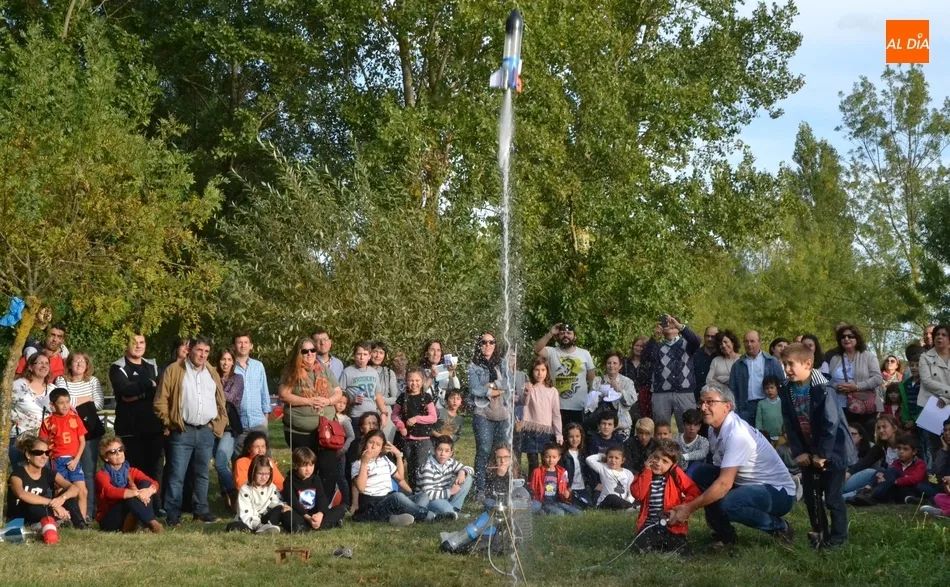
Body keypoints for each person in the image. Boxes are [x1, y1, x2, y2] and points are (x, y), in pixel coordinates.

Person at [667, 387, 796, 550]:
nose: (703, 407)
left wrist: (688, 509)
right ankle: (724, 535)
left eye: (710, 402)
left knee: (729, 503)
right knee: (700, 472)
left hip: (778, 493)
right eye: (702, 402)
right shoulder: (714, 429)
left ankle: (780, 528)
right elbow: (721, 473)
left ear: (727, 406)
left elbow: (724, 484)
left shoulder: (737, 434)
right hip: (747, 484)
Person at [779, 343, 856, 549]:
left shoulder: (823, 388)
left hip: (834, 450)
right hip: (808, 451)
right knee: (811, 497)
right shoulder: (786, 388)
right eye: (784, 364)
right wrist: (800, 452)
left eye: (791, 364)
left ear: (808, 364)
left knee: (832, 498)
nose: (787, 369)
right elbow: (789, 423)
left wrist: (823, 455)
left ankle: (838, 538)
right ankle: (820, 532)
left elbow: (831, 423)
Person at [153, 335, 227, 526]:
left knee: (202, 474)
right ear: (190, 350)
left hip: (206, 431)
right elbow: (160, 401)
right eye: (199, 350)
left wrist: (216, 425)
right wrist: (171, 423)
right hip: (182, 430)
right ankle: (173, 514)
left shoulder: (211, 372)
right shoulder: (174, 370)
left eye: (206, 351)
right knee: (177, 475)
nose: (203, 355)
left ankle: (201, 511)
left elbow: (220, 400)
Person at [278, 336, 344, 503]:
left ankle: (325, 505)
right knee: (305, 469)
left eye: (312, 350)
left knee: (328, 468)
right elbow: (284, 395)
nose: (310, 354)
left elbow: (338, 392)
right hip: (300, 432)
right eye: (305, 351)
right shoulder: (291, 371)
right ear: (298, 353)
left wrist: (328, 401)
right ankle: (305, 504)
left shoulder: (324, 370)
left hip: (326, 431)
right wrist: (309, 401)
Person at [109, 333, 163, 516]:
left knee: (154, 469)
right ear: (126, 345)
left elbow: (159, 390)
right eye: (134, 342)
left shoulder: (152, 365)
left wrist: (138, 393)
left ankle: (156, 506)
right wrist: (148, 384)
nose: (138, 346)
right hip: (130, 429)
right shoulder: (118, 367)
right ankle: (136, 507)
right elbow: (124, 390)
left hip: (153, 427)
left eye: (141, 342)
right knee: (133, 470)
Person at [52, 351, 104, 518]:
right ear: (69, 364)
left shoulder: (93, 381)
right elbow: (63, 403)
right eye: (76, 361)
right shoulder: (61, 380)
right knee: (64, 474)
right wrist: (87, 399)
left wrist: (74, 401)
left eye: (83, 361)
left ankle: (87, 512)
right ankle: (66, 511)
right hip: (66, 432)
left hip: (89, 431)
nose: (80, 364)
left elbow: (99, 404)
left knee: (87, 472)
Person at [7, 435, 86, 543]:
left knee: (68, 496)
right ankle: (55, 522)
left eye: (47, 453)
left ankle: (81, 526)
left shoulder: (48, 472)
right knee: (32, 504)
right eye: (39, 452)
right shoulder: (17, 474)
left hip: (42, 510)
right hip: (23, 514)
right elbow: (22, 494)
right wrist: (52, 503)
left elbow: (74, 488)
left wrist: (61, 499)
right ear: (28, 454)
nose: (44, 456)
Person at [629, 439, 701, 554]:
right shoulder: (644, 474)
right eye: (655, 457)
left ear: (673, 464)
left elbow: (693, 491)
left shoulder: (675, 473)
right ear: (649, 456)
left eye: (665, 461)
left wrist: (682, 507)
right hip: (649, 526)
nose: (658, 463)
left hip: (672, 527)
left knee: (682, 550)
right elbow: (638, 494)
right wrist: (647, 471)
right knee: (639, 548)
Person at [351, 430, 432, 526]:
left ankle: (396, 516)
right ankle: (428, 515)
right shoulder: (358, 464)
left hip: (388, 498)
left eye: (378, 444)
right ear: (365, 444)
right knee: (397, 497)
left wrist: (398, 455)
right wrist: (364, 463)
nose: (373, 447)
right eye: (371, 442)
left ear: (381, 448)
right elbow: (360, 488)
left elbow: (400, 477)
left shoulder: (385, 460)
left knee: (422, 496)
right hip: (373, 505)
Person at [468, 331, 510, 495]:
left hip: (503, 414)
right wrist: (495, 390)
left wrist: (492, 386)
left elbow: (508, 383)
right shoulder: (473, 366)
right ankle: (480, 488)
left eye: (491, 342)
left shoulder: (502, 363)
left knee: (502, 453)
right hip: (483, 413)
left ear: (495, 344)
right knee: (484, 450)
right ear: (479, 345)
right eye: (484, 342)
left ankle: (499, 487)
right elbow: (475, 389)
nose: (487, 345)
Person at [38, 388, 89, 520]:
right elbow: (43, 443)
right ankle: (63, 519)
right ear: (52, 405)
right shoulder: (48, 422)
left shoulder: (75, 418)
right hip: (57, 461)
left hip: (73, 460)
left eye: (67, 402)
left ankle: (82, 521)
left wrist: (76, 460)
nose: (65, 405)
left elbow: (82, 442)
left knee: (82, 491)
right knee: (60, 491)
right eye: (61, 403)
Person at [94, 436, 163, 533]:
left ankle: (138, 525)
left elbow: (153, 483)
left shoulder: (131, 471)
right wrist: (136, 493)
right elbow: (109, 491)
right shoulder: (101, 474)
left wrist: (148, 491)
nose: (118, 453)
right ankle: (152, 523)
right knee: (131, 497)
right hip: (110, 517)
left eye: (120, 449)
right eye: (113, 452)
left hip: (129, 509)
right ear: (105, 458)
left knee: (146, 483)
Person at [644, 315, 701, 429]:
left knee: (688, 428)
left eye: (672, 323)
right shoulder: (657, 346)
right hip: (661, 393)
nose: (669, 325)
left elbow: (696, 341)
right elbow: (645, 356)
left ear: (678, 329)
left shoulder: (687, 344)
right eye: (666, 323)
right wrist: (655, 337)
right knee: (661, 429)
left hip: (685, 392)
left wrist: (680, 326)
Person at [533, 322, 596, 427]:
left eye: (569, 333)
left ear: (574, 336)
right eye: (562, 333)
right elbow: (536, 349)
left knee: (578, 436)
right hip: (557, 407)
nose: (565, 335)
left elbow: (592, 380)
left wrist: (591, 402)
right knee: (558, 436)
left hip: (580, 407)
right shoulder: (552, 352)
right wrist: (550, 333)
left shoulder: (584, 354)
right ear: (558, 336)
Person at [827, 324, 883, 428]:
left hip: (864, 407)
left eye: (850, 336)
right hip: (839, 406)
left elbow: (878, 378)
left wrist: (857, 386)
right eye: (843, 337)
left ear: (857, 338)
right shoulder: (835, 359)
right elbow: (828, 381)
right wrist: (836, 386)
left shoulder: (868, 356)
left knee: (863, 436)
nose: (846, 339)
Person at [280, 447, 346, 532]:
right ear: (296, 465)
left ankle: (309, 526)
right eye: (304, 466)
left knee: (340, 509)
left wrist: (320, 514)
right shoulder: (289, 480)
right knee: (287, 514)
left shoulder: (315, 479)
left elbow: (321, 498)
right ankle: (323, 525)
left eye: (311, 465)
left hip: (315, 514)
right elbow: (293, 501)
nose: (308, 469)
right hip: (301, 514)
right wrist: (308, 518)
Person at [392, 367, 437, 489]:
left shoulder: (426, 397)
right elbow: (394, 415)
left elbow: (433, 417)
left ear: (422, 381)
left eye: (417, 380)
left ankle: (422, 490)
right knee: (411, 467)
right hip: (408, 438)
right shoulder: (402, 397)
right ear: (406, 381)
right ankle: (413, 491)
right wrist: (401, 426)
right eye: (411, 380)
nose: (414, 383)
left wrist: (417, 419)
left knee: (421, 466)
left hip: (423, 438)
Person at [848, 435, 926, 506]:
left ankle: (872, 496)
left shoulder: (919, 463)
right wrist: (882, 477)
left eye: (905, 449)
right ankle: (865, 490)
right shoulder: (896, 463)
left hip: (912, 490)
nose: (901, 452)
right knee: (881, 470)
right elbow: (888, 473)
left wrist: (893, 481)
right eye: (899, 448)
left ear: (914, 452)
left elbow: (915, 479)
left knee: (891, 471)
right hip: (896, 490)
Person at [728, 331, 785, 425]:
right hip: (746, 408)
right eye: (746, 341)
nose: (749, 344)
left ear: (759, 342)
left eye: (752, 341)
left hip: (768, 405)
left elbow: (782, 384)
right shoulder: (738, 365)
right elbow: (732, 389)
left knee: (767, 433)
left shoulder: (771, 362)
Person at [413, 435, 475, 519]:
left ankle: (454, 510)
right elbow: (427, 494)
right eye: (440, 450)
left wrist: (462, 471)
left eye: (446, 451)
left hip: (444, 495)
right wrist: (449, 492)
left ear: (451, 453)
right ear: (434, 450)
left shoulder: (450, 462)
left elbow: (471, 469)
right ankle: (448, 512)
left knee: (467, 477)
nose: (443, 454)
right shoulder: (427, 467)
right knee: (446, 509)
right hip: (430, 500)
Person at [231, 331, 271, 461]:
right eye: (239, 342)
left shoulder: (258, 366)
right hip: (239, 423)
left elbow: (264, 391)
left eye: (246, 342)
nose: (243, 345)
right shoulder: (230, 367)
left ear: (251, 345)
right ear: (234, 346)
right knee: (240, 459)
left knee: (264, 460)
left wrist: (265, 417)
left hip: (258, 421)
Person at [520, 357, 563, 476]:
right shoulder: (528, 387)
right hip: (531, 430)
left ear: (547, 371)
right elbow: (524, 402)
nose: (540, 373)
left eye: (543, 370)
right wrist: (527, 392)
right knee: (533, 463)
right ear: (532, 371)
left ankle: (546, 484)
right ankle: (533, 484)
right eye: (537, 370)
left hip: (546, 431)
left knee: (547, 462)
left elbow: (556, 414)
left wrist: (559, 433)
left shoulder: (552, 391)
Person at [213, 348, 244, 512]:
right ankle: (226, 498)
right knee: (221, 464)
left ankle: (235, 493)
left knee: (220, 462)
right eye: (223, 359)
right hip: (211, 424)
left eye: (229, 359)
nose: (225, 363)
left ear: (233, 362)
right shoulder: (211, 376)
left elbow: (230, 397)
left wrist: (212, 391)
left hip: (229, 426)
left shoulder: (237, 378)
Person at [10, 352, 54, 466]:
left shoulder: (53, 390)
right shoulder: (16, 386)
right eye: (40, 363)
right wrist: (13, 419)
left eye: (46, 363)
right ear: (30, 366)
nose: (44, 366)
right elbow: (5, 407)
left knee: (43, 475)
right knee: (22, 474)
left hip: (45, 443)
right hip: (22, 441)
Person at [842, 414, 902, 499]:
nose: (881, 430)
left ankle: (836, 495)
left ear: (894, 428)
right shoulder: (880, 447)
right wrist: (848, 473)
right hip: (882, 480)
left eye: (884, 427)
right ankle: (837, 497)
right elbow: (865, 462)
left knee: (871, 473)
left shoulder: (905, 444)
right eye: (878, 428)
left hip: (900, 482)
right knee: (869, 480)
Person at [226, 455, 289, 534]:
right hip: (248, 520)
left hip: (264, 518)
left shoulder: (272, 487)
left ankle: (267, 527)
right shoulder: (245, 489)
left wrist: (284, 506)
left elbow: (276, 502)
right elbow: (246, 514)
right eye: (260, 474)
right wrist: (258, 525)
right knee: (233, 526)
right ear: (253, 472)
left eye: (267, 474)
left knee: (280, 508)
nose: (264, 477)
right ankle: (260, 529)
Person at [341, 341, 389, 442]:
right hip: (355, 416)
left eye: (365, 354)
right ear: (354, 355)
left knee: (372, 443)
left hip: (372, 416)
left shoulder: (373, 372)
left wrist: (384, 413)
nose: (362, 357)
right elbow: (340, 395)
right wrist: (352, 400)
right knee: (356, 444)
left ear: (369, 356)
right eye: (359, 354)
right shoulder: (347, 372)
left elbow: (378, 395)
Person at [589, 352, 637, 440]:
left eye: (615, 363)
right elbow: (590, 403)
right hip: (602, 425)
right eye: (609, 363)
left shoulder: (627, 382)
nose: (611, 366)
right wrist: (600, 396)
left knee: (620, 448)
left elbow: (631, 400)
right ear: (605, 365)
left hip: (622, 425)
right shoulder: (598, 380)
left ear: (620, 366)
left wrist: (619, 390)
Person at [919, 324, 950, 462]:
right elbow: (927, 382)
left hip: (947, 402)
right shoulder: (925, 357)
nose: (939, 337)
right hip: (933, 406)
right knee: (934, 447)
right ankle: (935, 474)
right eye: (937, 334)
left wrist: (946, 398)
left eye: (944, 335)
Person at [528, 442, 582, 516]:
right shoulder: (537, 472)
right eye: (548, 457)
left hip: (557, 501)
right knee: (560, 513)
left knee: (578, 513)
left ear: (558, 458)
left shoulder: (562, 472)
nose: (551, 460)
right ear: (543, 457)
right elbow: (532, 488)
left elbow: (564, 488)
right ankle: (543, 510)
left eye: (554, 457)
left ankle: (548, 511)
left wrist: (567, 494)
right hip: (543, 501)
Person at [585, 446, 635, 510]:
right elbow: (589, 459)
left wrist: (627, 501)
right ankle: (632, 508)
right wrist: (601, 456)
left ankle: (629, 508)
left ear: (622, 460)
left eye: (616, 458)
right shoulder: (603, 468)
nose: (613, 460)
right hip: (605, 504)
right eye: (610, 457)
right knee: (612, 497)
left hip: (622, 504)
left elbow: (632, 492)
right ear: (606, 457)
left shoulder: (628, 473)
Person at [370, 341, 400, 441]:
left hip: (385, 410)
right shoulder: (363, 371)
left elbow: (396, 398)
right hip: (368, 409)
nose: (378, 356)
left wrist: (383, 400)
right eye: (375, 352)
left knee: (386, 442)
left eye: (381, 353)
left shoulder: (389, 373)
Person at [559, 423, 592, 507]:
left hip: (582, 487)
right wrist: (566, 487)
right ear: (566, 437)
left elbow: (588, 472)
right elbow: (561, 474)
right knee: (574, 504)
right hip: (570, 488)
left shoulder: (583, 453)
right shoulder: (563, 455)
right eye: (571, 437)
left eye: (577, 436)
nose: (574, 439)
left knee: (588, 505)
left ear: (581, 437)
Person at [420, 339, 460, 407]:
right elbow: (420, 391)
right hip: (426, 408)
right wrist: (430, 377)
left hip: (442, 409)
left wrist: (451, 372)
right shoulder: (420, 372)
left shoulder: (445, 370)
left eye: (438, 350)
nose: (436, 353)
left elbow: (456, 389)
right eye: (432, 350)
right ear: (426, 354)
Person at [621, 335, 653, 419]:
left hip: (644, 400)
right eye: (636, 345)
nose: (638, 348)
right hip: (626, 398)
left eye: (641, 346)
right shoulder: (624, 362)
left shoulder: (648, 364)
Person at [677, 409, 709, 478]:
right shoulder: (675, 439)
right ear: (684, 425)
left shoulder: (703, 441)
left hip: (696, 475)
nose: (692, 428)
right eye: (689, 424)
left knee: (695, 464)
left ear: (699, 427)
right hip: (678, 471)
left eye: (695, 425)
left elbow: (702, 453)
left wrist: (684, 457)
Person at [693, 326, 720, 401]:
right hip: (696, 396)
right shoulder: (695, 354)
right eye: (707, 336)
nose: (710, 339)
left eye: (713, 337)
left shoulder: (721, 355)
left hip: (716, 397)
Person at [755, 375, 784, 440]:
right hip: (767, 438)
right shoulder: (761, 404)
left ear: (777, 388)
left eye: (772, 387)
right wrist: (760, 434)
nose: (769, 390)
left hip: (782, 437)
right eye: (767, 388)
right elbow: (758, 421)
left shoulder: (783, 402)